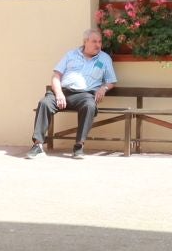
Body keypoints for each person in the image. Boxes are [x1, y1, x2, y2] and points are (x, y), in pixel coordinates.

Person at [27, 27, 117, 159]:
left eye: (100, 42)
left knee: (89, 106)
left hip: (84, 95)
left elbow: (112, 81)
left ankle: (79, 146)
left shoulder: (104, 59)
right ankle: (38, 145)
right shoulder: (71, 55)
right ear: (85, 41)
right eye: (94, 41)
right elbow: (56, 76)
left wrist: (103, 88)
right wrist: (58, 94)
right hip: (62, 92)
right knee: (44, 103)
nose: (98, 45)